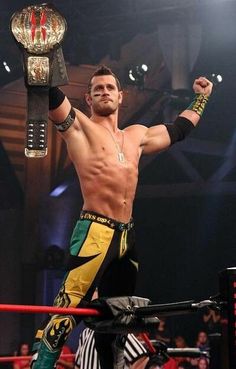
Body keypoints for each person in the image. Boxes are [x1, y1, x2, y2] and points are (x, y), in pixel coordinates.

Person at [31, 65, 213, 369]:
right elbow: (54, 101)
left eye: (109, 88)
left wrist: (202, 98)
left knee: (117, 318)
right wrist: (38, 68)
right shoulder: (81, 129)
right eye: (97, 89)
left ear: (120, 96)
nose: (104, 92)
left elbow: (180, 129)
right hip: (95, 231)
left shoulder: (137, 136)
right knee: (66, 313)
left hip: (126, 236)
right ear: (88, 99)